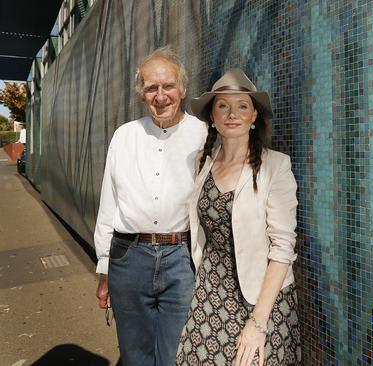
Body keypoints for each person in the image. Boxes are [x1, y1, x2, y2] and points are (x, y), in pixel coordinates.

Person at [175, 68, 300, 366]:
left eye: (242, 105)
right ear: (212, 117)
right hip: (210, 290)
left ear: (254, 115)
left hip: (261, 297)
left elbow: (283, 249)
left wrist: (258, 323)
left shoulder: (276, 167)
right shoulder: (201, 162)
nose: (232, 114)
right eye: (223, 106)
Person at [93, 46, 207, 366]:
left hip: (181, 256)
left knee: (178, 353)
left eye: (168, 85)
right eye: (151, 87)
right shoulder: (124, 136)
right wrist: (104, 268)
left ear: (183, 89)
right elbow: (108, 205)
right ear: (141, 94)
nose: (160, 96)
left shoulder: (204, 135)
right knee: (134, 355)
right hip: (128, 256)